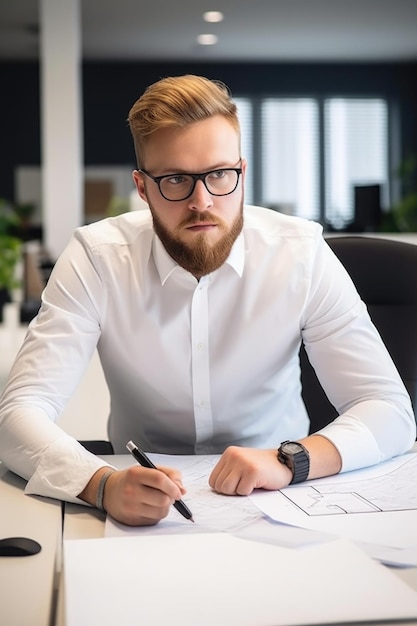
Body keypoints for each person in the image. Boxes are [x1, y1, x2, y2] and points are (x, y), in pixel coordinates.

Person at [0, 75, 415, 527]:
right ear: (142, 187)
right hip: (141, 509)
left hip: (286, 500)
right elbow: (18, 413)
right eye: (176, 179)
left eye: (219, 174)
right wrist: (99, 484)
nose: (203, 202)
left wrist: (289, 460)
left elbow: (389, 409)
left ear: (242, 171)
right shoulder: (97, 259)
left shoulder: (302, 253)